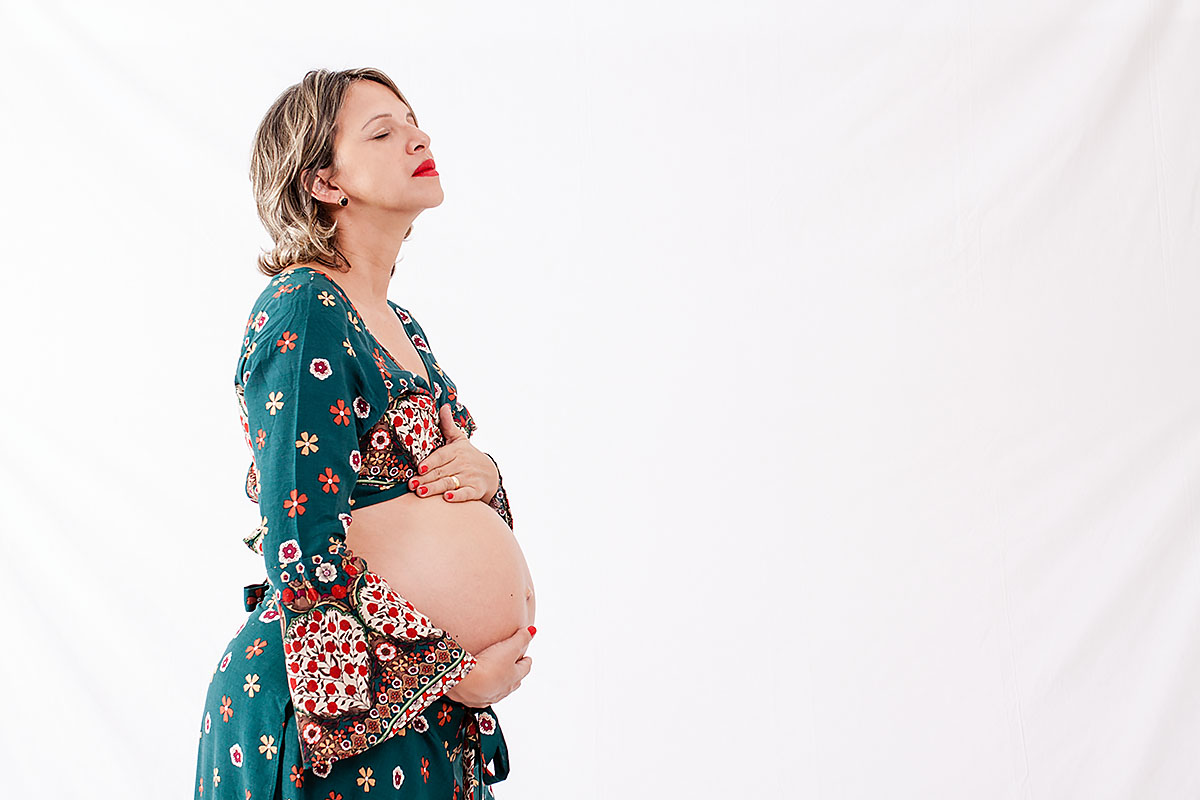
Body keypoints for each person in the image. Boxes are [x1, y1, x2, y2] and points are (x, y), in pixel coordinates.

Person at [193, 67, 535, 800]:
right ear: (323, 183)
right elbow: (299, 543)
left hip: (421, 710)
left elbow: (440, 512)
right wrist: (445, 669)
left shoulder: (403, 325)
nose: (419, 136)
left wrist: (486, 476)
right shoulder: (304, 306)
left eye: (413, 120)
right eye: (382, 131)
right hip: (343, 708)